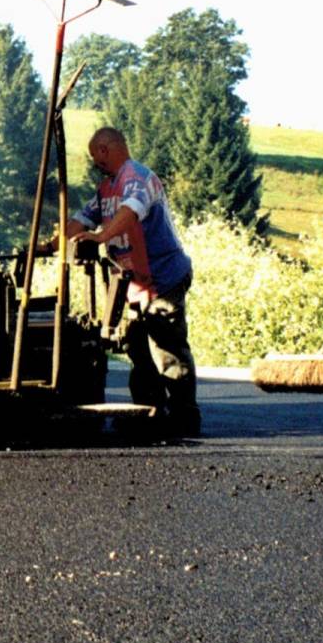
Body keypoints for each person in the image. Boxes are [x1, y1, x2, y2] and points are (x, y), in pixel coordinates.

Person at [63, 127, 200, 437]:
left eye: (95, 156)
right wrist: (54, 243)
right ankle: (149, 412)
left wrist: (100, 236)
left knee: (166, 347)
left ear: (104, 149)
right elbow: (82, 220)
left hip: (164, 277)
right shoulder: (106, 189)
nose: (94, 163)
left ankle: (184, 417)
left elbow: (130, 212)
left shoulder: (137, 178)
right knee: (137, 347)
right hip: (135, 283)